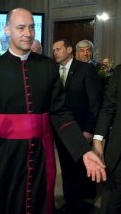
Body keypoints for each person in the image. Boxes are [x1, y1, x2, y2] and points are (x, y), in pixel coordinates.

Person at [0, 8, 106, 214]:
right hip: (2, 155)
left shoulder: (48, 67)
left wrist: (83, 151)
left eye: (31, 27)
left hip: (39, 155)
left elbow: (61, 114)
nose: (28, 33)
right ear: (7, 30)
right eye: (21, 28)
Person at [53, 39, 103, 213]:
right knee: (66, 169)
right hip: (61, 131)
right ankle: (69, 202)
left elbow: (95, 102)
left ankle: (79, 205)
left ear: (69, 50)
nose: (55, 52)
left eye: (58, 49)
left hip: (81, 130)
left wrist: (89, 130)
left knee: (80, 170)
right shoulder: (53, 71)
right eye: (53, 50)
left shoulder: (85, 69)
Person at [93, 64, 121, 214]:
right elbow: (108, 107)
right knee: (112, 204)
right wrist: (97, 140)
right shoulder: (119, 71)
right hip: (118, 155)